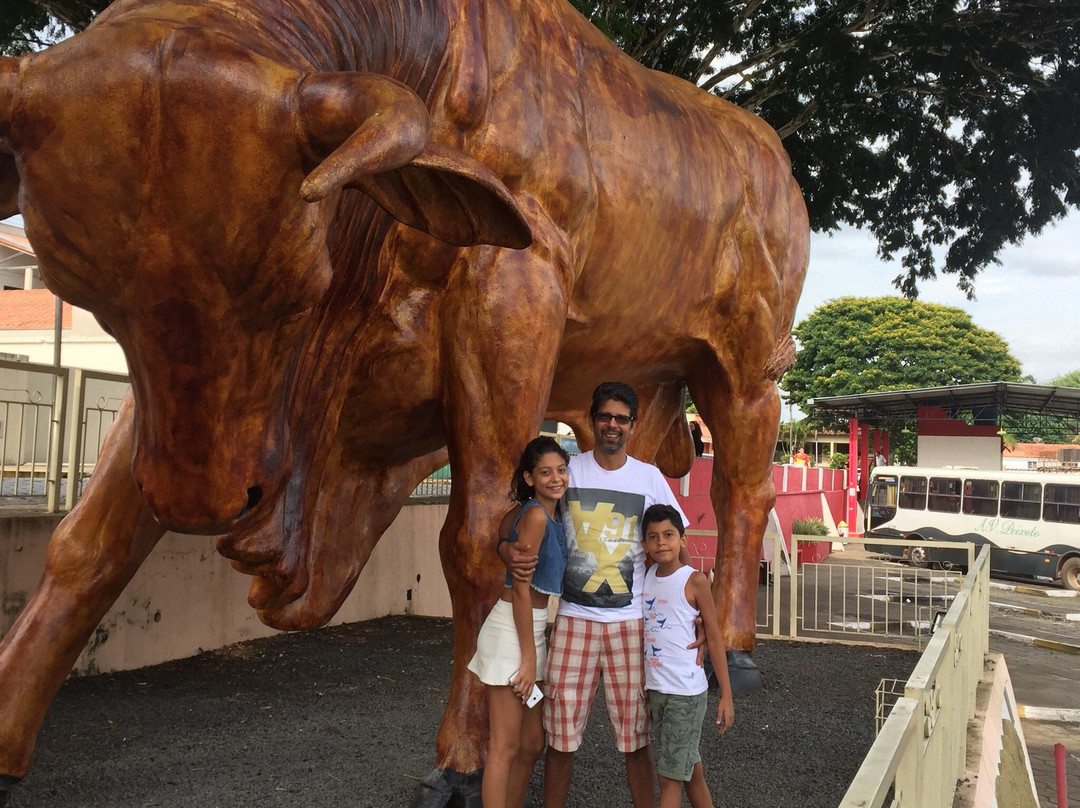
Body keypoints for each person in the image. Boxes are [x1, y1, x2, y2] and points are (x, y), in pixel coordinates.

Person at [501, 382, 691, 808]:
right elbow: (520, 513)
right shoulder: (569, 471)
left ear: (632, 426)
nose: (612, 425)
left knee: (635, 739)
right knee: (561, 738)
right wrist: (503, 547)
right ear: (591, 420)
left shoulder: (649, 478)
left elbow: (677, 547)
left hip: (630, 625)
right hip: (573, 620)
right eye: (604, 416)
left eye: (621, 418)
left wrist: (691, 610)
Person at [469, 436, 570, 808]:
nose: (555, 478)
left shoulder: (542, 511)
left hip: (532, 627)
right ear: (529, 477)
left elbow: (503, 523)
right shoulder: (537, 516)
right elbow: (521, 590)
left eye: (561, 470)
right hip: (514, 630)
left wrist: (502, 544)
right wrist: (529, 660)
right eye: (545, 472)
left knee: (531, 743)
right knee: (506, 746)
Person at [641, 504, 733, 808]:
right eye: (653, 537)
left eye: (668, 534)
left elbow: (715, 637)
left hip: (686, 693)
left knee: (669, 778)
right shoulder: (648, 575)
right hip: (658, 690)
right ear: (644, 544)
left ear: (683, 538)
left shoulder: (695, 581)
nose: (661, 543)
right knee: (689, 769)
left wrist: (727, 696)